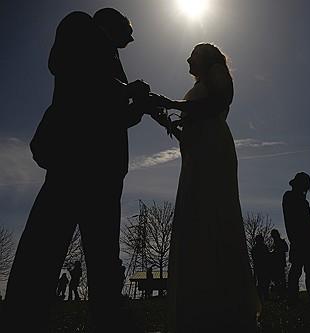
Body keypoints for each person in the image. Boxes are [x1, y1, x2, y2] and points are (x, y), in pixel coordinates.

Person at [5, 8, 150, 332]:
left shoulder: (110, 57)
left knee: (102, 256)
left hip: (106, 172)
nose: (132, 37)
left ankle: (107, 318)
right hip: (74, 164)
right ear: (112, 22)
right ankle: (22, 318)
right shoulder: (79, 26)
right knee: (44, 246)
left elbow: (111, 115)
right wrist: (126, 90)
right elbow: (77, 74)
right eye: (128, 29)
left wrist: (137, 107)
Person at [149, 43, 260, 332]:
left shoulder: (218, 72)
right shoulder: (199, 84)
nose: (188, 58)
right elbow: (191, 121)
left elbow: (214, 105)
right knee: (195, 214)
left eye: (193, 53)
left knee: (212, 210)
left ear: (207, 58)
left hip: (213, 149)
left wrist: (171, 104)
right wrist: (164, 118)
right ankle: (197, 300)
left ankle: (222, 301)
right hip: (197, 151)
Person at [282, 172, 310, 305]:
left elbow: (304, 220)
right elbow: (299, 220)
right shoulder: (291, 197)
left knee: (305, 271)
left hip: (302, 239)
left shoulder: (298, 199)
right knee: (299, 270)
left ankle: (308, 298)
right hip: (300, 239)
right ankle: (295, 298)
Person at [269, 229, 288, 299]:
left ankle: (282, 294)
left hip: (279, 263)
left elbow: (286, 249)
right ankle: (281, 293)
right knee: (279, 279)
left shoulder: (280, 242)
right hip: (277, 263)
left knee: (280, 279)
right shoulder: (277, 242)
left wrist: (274, 252)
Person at [251, 235, 271, 301]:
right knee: (264, 282)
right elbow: (267, 256)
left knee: (261, 282)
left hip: (259, 267)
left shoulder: (254, 248)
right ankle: (265, 296)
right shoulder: (263, 247)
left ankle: (261, 296)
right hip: (263, 267)